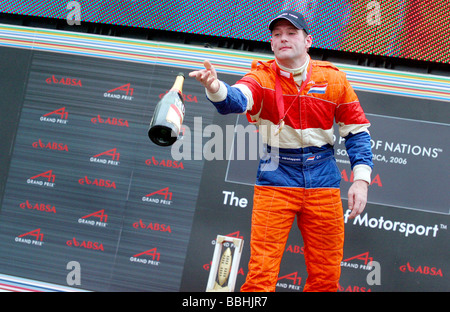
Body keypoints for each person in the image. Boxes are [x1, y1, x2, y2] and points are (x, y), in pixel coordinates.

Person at [189, 10, 373, 292]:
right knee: (260, 278)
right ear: (272, 44)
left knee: (326, 279)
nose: (283, 38)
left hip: (323, 176)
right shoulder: (260, 77)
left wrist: (360, 180)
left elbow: (357, 131)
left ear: (308, 40)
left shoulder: (334, 79)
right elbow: (236, 100)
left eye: (291, 33)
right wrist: (215, 88)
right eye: (277, 35)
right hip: (277, 176)